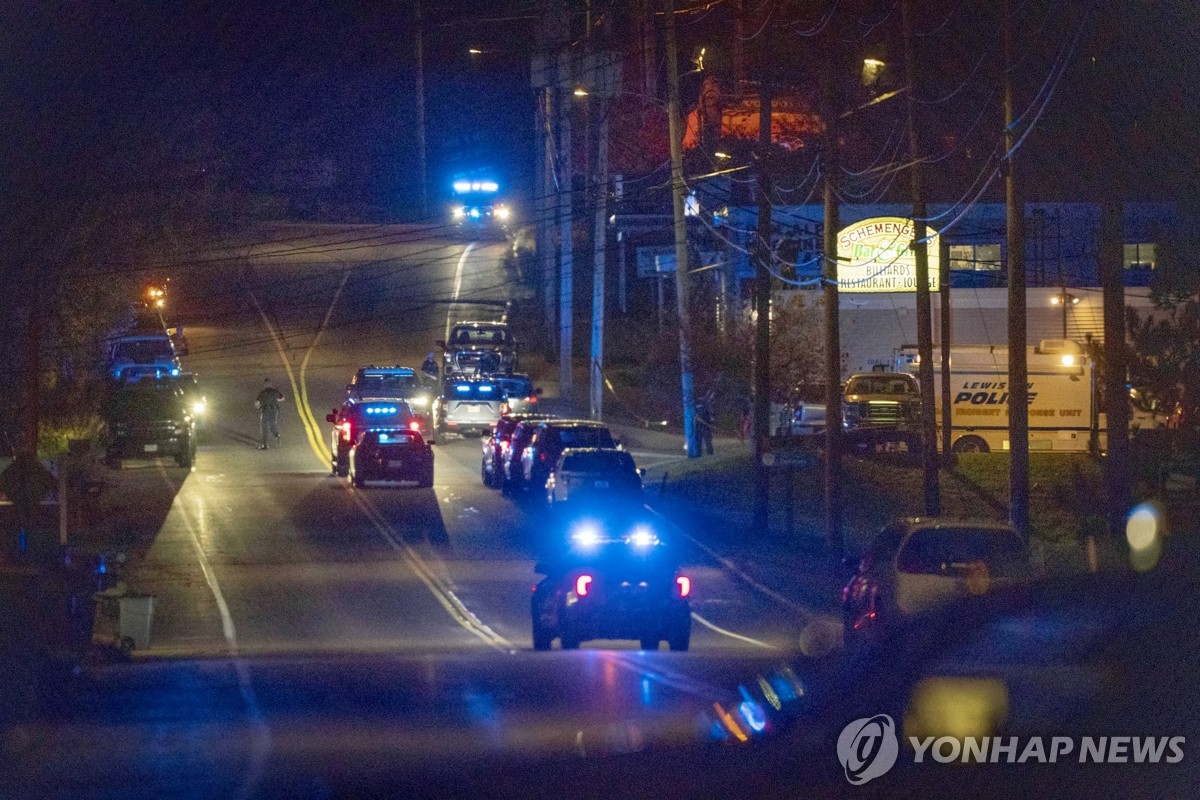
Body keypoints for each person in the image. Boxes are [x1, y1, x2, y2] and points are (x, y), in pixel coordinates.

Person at [255, 378, 284, 450]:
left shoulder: (262, 393)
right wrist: (275, 400)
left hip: (265, 410)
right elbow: (282, 398)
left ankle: (265, 445)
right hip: (274, 410)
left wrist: (258, 408)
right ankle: (277, 435)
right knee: (272, 424)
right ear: (270, 385)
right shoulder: (275, 392)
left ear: (264, 385)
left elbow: (257, 403)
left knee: (264, 426)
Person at [696, 390, 715, 456]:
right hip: (701, 425)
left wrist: (711, 423)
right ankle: (700, 453)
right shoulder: (703, 403)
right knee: (701, 440)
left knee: (707, 441)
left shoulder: (706, 404)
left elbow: (711, 415)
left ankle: (709, 453)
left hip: (705, 425)